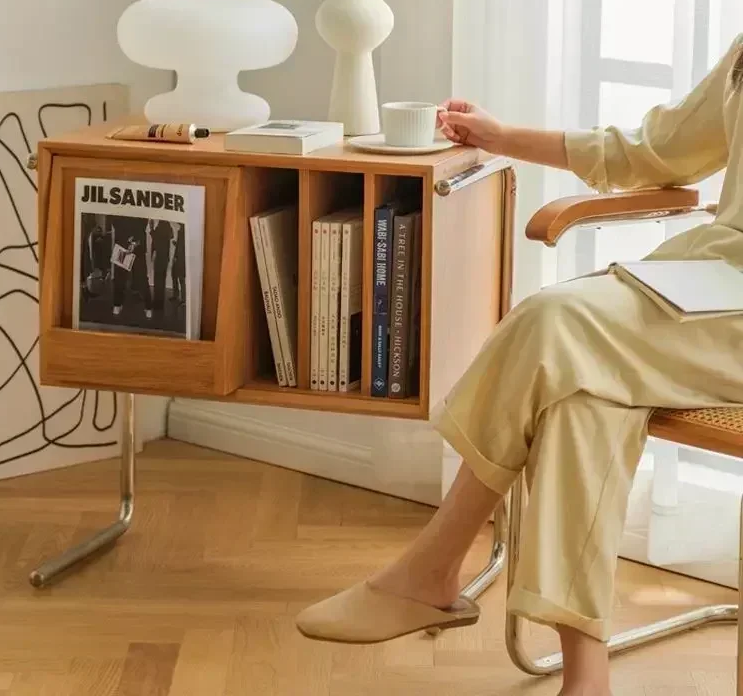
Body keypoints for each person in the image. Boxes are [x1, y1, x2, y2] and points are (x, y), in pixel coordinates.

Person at [296, 34, 743, 695]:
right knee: (578, 392)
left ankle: (432, 567)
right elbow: (654, 151)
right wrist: (503, 136)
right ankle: (585, 681)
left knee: (553, 323)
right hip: (712, 279)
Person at [110, 215, 152, 320]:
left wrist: (129, 240)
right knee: (138, 276)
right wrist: (134, 240)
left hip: (126, 244)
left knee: (126, 276)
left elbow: (114, 220)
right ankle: (148, 308)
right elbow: (143, 221)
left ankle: (117, 305)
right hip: (131, 244)